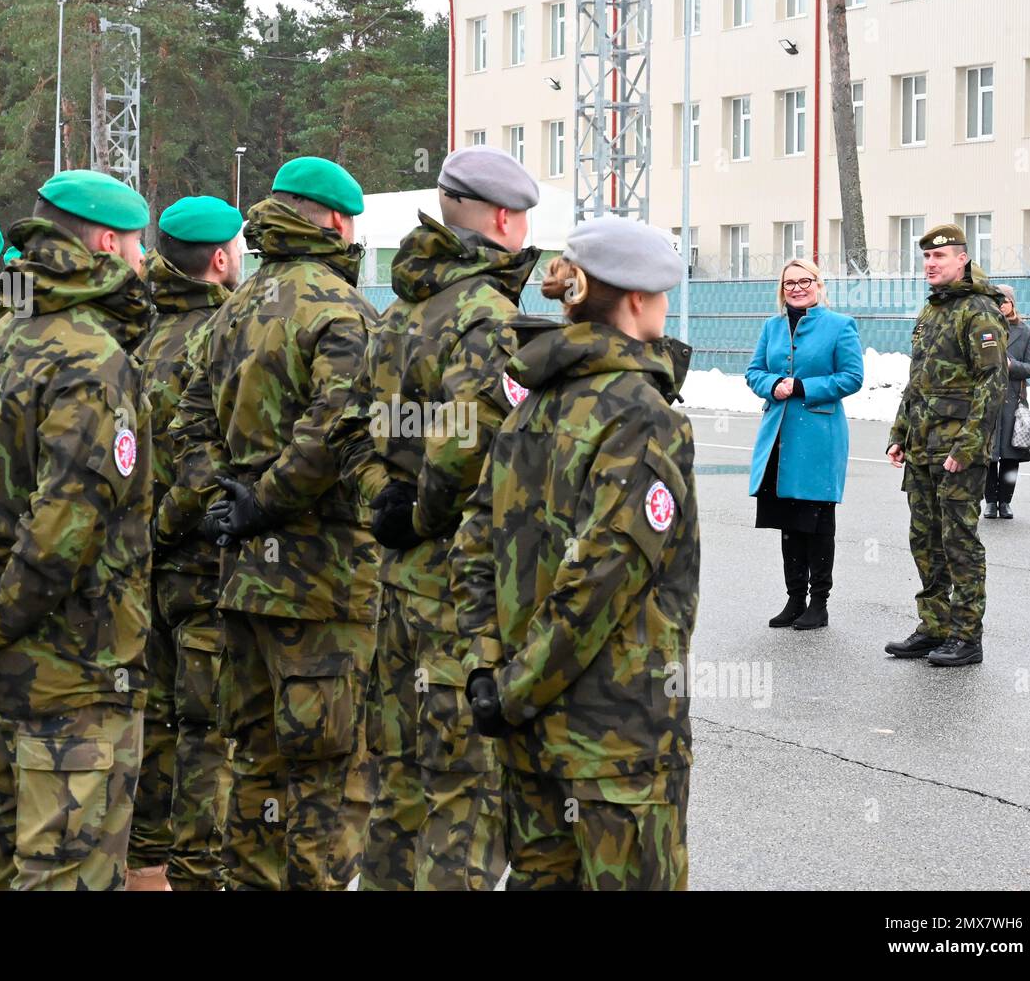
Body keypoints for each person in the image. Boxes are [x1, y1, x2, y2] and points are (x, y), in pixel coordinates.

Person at [0, 169, 153, 890]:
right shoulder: (93, 358)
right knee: (64, 875)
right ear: (108, 244)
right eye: (137, 245)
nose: (144, 262)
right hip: (72, 682)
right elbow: (63, 533)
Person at [452, 217, 699, 890]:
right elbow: (596, 587)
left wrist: (487, 674)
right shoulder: (646, 415)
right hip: (615, 748)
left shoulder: (533, 404)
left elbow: (474, 545)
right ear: (639, 301)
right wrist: (509, 690)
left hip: (530, 742)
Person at [166, 156, 379, 890]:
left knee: (254, 769)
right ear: (336, 223)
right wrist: (268, 497)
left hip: (242, 583)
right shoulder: (340, 309)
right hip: (323, 589)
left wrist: (224, 500)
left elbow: (186, 422)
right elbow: (339, 427)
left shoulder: (231, 309)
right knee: (328, 780)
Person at [333, 145, 542, 890]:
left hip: (397, 582)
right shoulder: (488, 314)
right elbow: (469, 441)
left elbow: (352, 426)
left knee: (398, 784)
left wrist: (380, 504)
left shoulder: (400, 311)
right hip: (458, 586)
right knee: (465, 792)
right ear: (503, 219)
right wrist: (421, 513)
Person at [135, 195, 243, 893]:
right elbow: (207, 468)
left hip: (145, 570)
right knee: (209, 735)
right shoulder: (224, 338)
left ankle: (144, 869)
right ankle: (195, 874)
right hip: (202, 563)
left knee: (155, 726)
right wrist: (171, 525)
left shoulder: (140, 333)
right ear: (220, 258)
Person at [885, 224, 1007, 668]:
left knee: (959, 541)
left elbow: (992, 385)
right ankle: (933, 625)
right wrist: (900, 434)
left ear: (962, 259)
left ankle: (966, 635)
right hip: (922, 447)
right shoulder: (932, 310)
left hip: (957, 450)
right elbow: (917, 381)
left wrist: (969, 447)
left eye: (939, 258)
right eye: (926, 259)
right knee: (925, 540)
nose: (931, 265)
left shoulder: (978, 311)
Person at [745, 259, 863, 631]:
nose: (797, 288)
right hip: (779, 435)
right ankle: (794, 598)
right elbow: (754, 371)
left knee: (816, 521)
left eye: (804, 281)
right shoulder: (771, 326)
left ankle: (819, 602)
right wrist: (772, 383)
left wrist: (802, 387)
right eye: (789, 283)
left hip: (818, 437)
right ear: (782, 289)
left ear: (818, 284)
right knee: (788, 522)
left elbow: (852, 377)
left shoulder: (840, 326)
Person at [984, 285, 1030, 521]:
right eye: (997, 301)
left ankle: (1005, 501)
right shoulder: (984, 329)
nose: (1001, 305)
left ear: (1012, 303)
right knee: (988, 455)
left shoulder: (1025, 331)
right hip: (986, 401)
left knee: (1010, 456)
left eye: (1005, 301)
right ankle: (990, 502)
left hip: (1012, 404)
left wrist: (1010, 366)